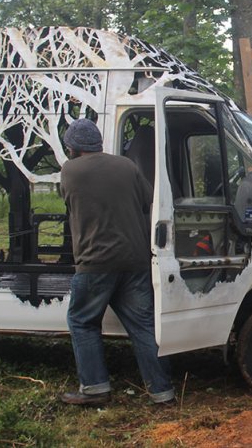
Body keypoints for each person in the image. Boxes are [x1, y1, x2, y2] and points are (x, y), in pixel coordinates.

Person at [59, 118, 175, 406]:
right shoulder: (127, 166)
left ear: (72, 148)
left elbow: (70, 205)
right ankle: (162, 392)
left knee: (82, 322)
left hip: (95, 263)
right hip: (135, 261)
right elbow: (147, 200)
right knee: (143, 326)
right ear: (98, 143)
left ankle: (95, 389)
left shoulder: (70, 171)